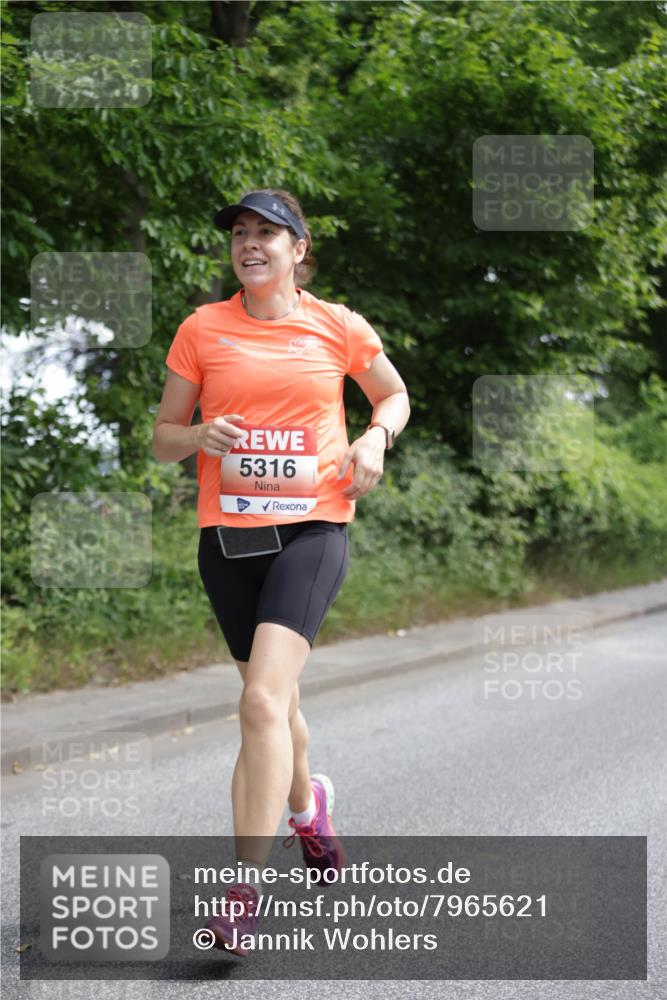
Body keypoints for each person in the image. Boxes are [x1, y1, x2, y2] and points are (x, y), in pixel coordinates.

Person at [152, 188, 410, 955]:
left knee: (262, 702)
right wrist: (200, 432)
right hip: (228, 540)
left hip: (312, 527)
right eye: (239, 233)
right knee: (274, 701)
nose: (250, 243)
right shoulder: (202, 328)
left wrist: (373, 441)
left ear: (300, 250)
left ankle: (241, 895)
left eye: (268, 232)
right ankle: (308, 808)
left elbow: (392, 395)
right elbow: (164, 438)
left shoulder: (337, 325)